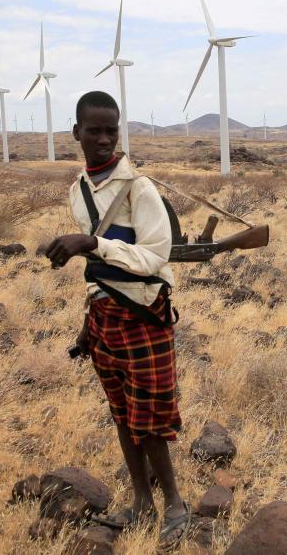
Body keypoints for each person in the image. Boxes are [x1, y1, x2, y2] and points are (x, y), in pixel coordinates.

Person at [45, 91, 190, 545]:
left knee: (151, 420)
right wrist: (89, 316)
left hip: (144, 315)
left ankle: (174, 504)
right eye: (95, 130)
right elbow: (96, 271)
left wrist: (93, 245)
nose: (105, 139)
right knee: (123, 415)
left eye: (112, 130)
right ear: (76, 133)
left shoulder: (138, 188)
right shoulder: (78, 192)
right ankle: (141, 502)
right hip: (105, 318)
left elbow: (154, 257)